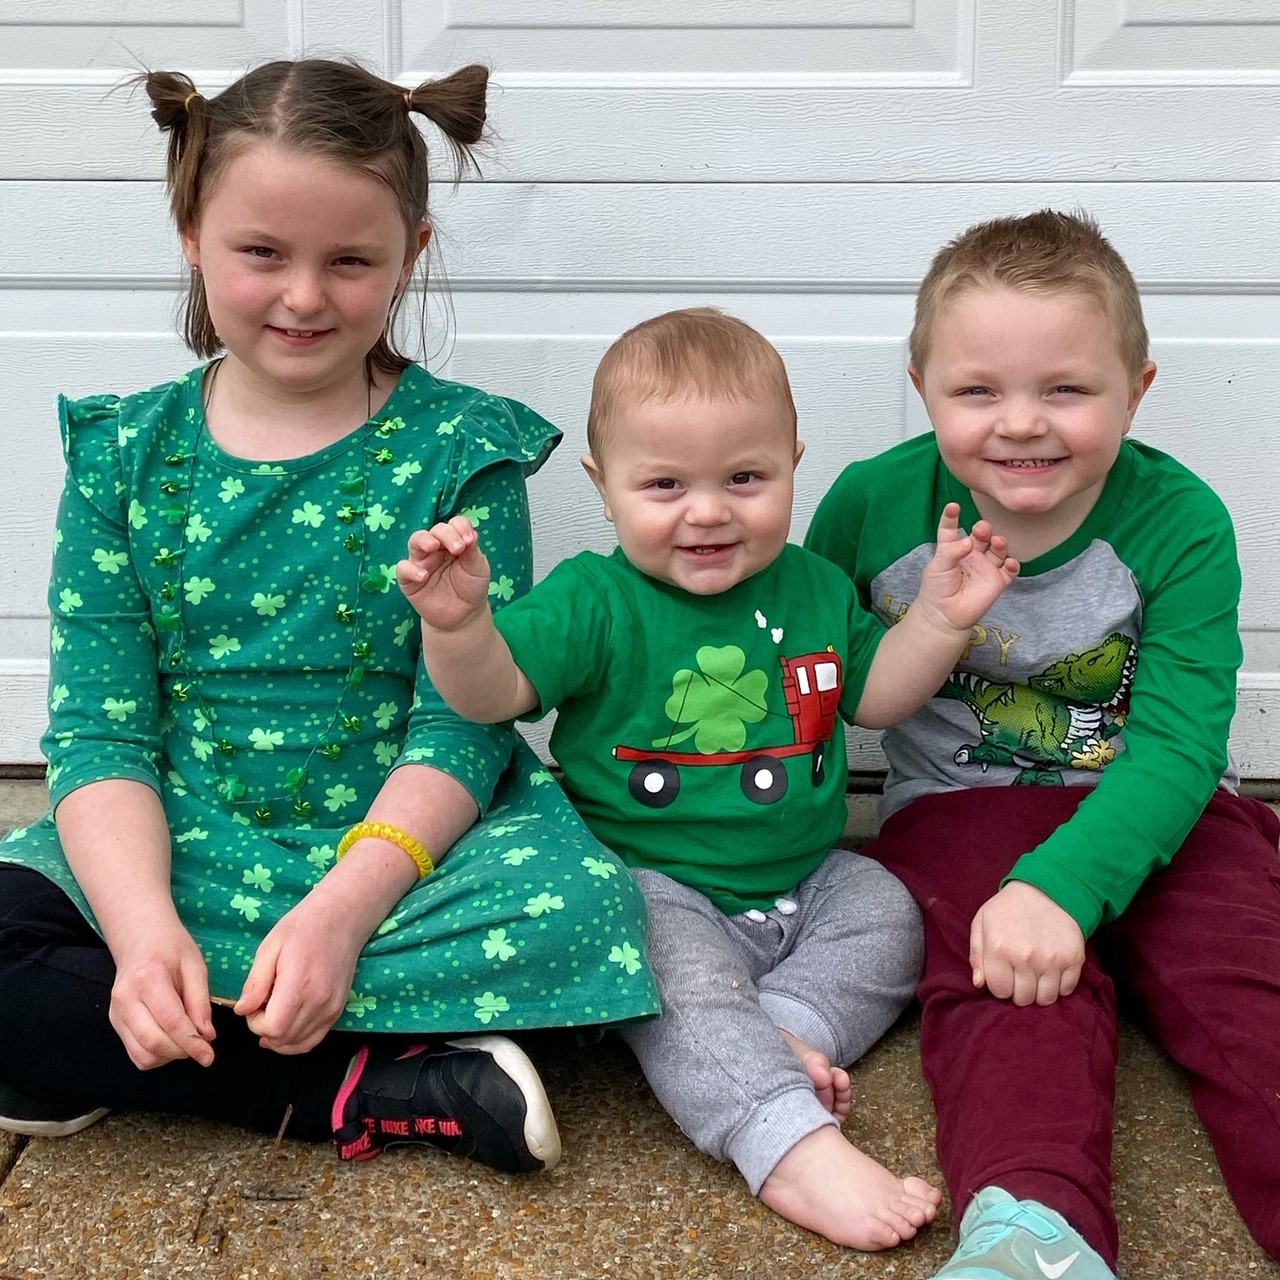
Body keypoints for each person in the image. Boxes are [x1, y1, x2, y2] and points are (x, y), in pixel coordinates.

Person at [0, 57, 660, 1175]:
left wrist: (344, 910)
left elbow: (462, 724)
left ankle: (113, 1047)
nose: (304, 297)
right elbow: (101, 732)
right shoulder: (122, 454)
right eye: (262, 253)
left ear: (411, 253)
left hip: (407, 852)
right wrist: (142, 929)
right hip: (185, 835)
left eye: (349, 261)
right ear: (192, 233)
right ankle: (370, 1083)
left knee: (587, 912)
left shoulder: (464, 451)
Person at [397, 306, 1020, 1248]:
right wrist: (458, 629)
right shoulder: (595, 598)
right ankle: (785, 1141)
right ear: (603, 486)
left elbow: (879, 699)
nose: (708, 511)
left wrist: (939, 622)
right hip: (654, 885)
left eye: (744, 478)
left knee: (892, 912)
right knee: (676, 976)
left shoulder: (814, 586)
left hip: (807, 876)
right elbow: (494, 694)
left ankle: (780, 1030)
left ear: (793, 464)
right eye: (665, 483)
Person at [805, 210, 1280, 1278]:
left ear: (1135, 390)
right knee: (1008, 990)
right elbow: (815, 674)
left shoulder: (1180, 521)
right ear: (922, 387)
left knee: (1243, 974)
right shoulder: (871, 503)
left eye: (1065, 388)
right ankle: (1033, 1227)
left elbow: (1177, 745)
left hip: (1159, 802)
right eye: (977, 391)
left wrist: (1066, 884)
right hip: (961, 804)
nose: (1020, 423)